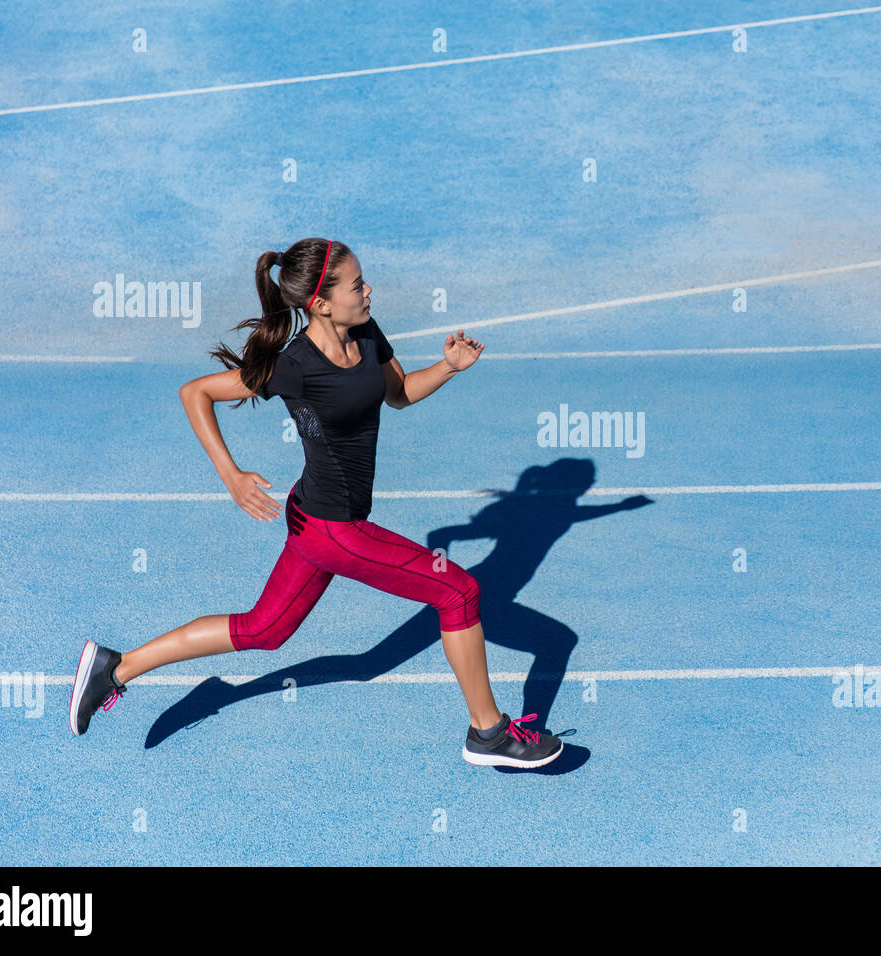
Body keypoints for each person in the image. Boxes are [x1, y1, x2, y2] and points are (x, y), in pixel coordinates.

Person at [69, 237, 563, 769]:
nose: (369, 290)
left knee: (264, 630)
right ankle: (488, 734)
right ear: (321, 304)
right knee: (459, 592)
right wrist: (231, 476)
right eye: (357, 285)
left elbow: (398, 393)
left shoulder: (367, 332)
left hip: (312, 523)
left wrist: (448, 367)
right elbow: (196, 392)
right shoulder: (295, 366)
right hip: (332, 530)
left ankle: (115, 668)